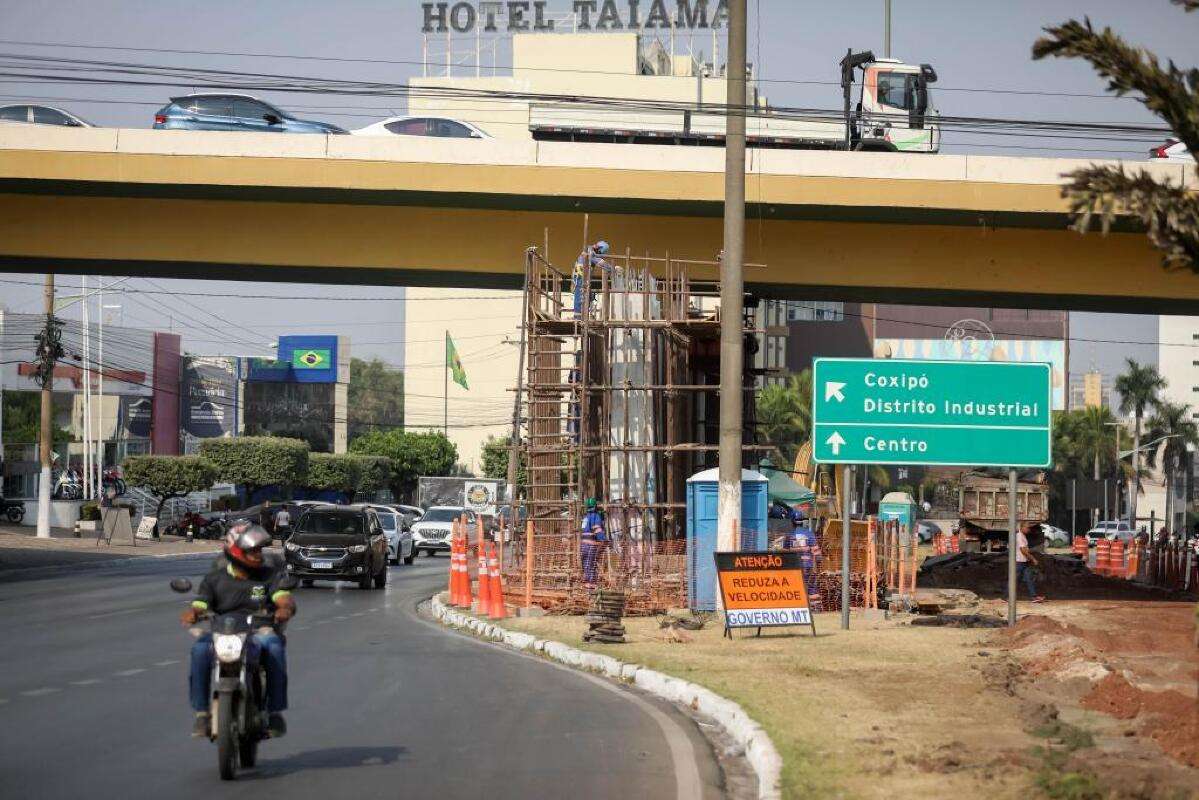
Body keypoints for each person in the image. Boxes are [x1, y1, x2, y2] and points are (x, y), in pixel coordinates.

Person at [181, 523, 295, 738]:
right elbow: (202, 602)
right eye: (252, 550)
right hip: (221, 632)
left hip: (258, 631)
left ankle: (275, 713)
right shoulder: (215, 578)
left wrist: (284, 608)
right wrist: (193, 613)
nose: (258, 555)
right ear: (236, 551)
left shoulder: (268, 575)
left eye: (259, 550)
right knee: (199, 651)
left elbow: (282, 596)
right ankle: (202, 714)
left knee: (274, 647)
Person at [783, 508, 823, 608]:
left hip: (794, 567)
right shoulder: (809, 534)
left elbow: (785, 552)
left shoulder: (789, 535)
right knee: (811, 587)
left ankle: (797, 607)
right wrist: (818, 565)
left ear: (792, 521)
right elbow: (816, 552)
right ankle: (815, 608)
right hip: (808, 566)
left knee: (795, 588)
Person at [572, 240, 611, 318]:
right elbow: (601, 263)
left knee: (588, 296)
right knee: (580, 296)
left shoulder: (590, 250)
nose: (600, 256)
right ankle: (578, 318)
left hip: (583, 277)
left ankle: (583, 315)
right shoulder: (590, 253)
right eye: (600, 253)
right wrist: (612, 268)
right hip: (581, 277)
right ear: (599, 250)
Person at [1016, 522, 1046, 603]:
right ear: (1021, 527)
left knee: (1029, 579)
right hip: (1019, 562)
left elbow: (1025, 550)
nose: (1028, 529)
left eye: (1029, 528)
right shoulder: (1019, 536)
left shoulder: (1023, 536)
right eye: (1027, 527)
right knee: (1014, 580)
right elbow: (1023, 551)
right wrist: (1033, 559)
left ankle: (1034, 596)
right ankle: (1006, 596)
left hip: (1024, 562)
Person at [580, 497, 606, 587]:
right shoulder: (596, 516)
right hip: (591, 545)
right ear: (595, 506)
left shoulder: (585, 517)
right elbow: (597, 529)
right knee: (591, 564)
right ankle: (591, 585)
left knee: (586, 564)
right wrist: (603, 540)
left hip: (583, 545)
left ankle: (587, 583)